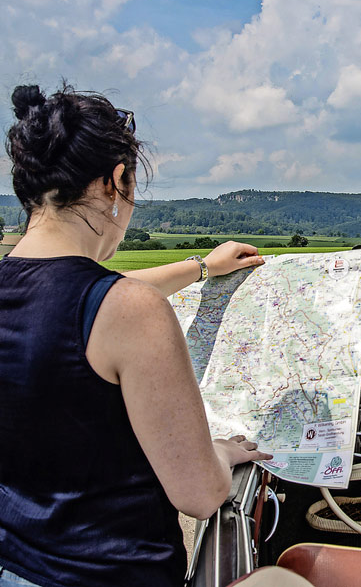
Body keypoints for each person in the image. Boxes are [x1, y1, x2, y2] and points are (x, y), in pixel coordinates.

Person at [0, 84, 271, 587]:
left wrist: (202, 267)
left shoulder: (34, 290)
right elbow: (200, 495)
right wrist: (222, 452)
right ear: (114, 181)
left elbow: (83, 297)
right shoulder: (128, 311)